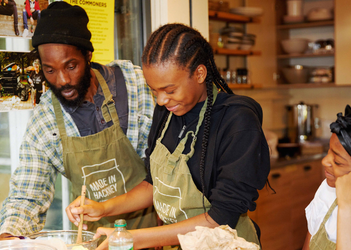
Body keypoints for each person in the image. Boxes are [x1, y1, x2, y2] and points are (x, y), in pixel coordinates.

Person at [66, 23, 271, 249]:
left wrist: (132, 238)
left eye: (170, 90)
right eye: (154, 90)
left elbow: (221, 218)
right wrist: (103, 207)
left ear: (200, 73)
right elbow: (153, 184)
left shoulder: (236, 120)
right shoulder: (166, 112)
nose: (161, 100)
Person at [0, 1, 157, 239]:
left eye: (71, 66)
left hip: (158, 235)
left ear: (88, 55)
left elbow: (169, 168)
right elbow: (26, 196)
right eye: (49, 70)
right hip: (95, 241)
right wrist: (8, 238)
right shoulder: (46, 121)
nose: (62, 80)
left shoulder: (136, 86)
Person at [302, 104, 351, 250]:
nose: (324, 161)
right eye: (329, 151)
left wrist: (349, 206)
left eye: (338, 162)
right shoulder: (328, 191)